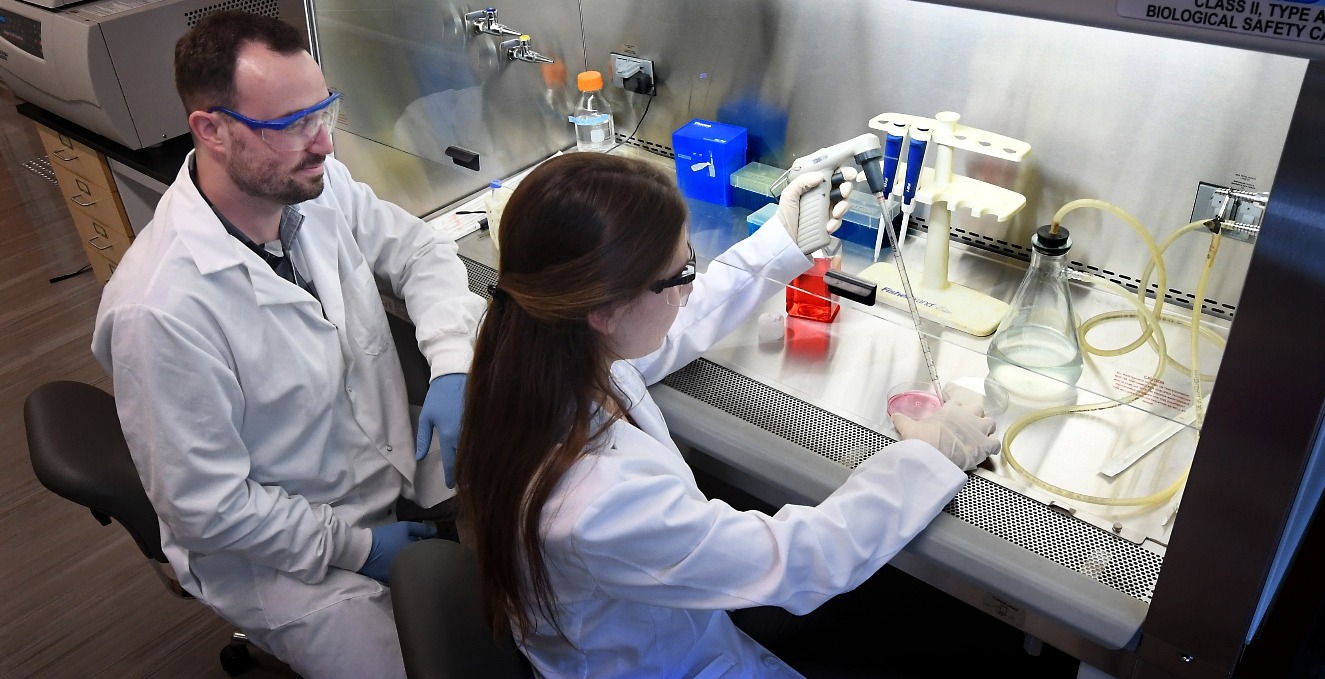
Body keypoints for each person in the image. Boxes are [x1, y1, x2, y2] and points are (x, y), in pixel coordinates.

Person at [454, 152, 1001, 678]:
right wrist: (929, 455)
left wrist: (781, 242)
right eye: (679, 273)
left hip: (655, 627)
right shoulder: (597, 502)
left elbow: (674, 327)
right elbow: (800, 561)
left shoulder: (539, 351)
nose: (691, 285)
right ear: (604, 309)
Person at [90, 11, 485, 678]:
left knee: (548, 493)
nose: (323, 143)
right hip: (277, 556)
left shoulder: (308, 188)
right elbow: (210, 509)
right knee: (424, 668)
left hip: (375, 455)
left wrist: (450, 360)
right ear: (212, 130)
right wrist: (356, 548)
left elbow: (419, 251)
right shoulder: (160, 310)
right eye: (292, 124)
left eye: (324, 111)